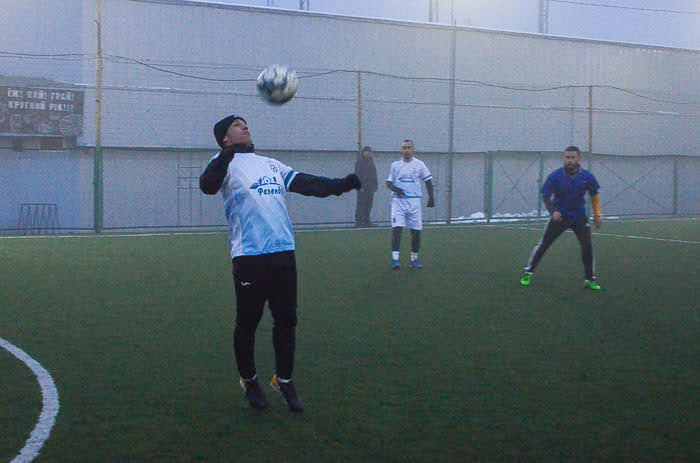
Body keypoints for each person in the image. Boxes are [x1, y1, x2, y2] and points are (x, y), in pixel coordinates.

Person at [199, 114, 361, 412]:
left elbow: (308, 183)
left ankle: (283, 380)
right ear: (224, 138)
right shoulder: (222, 163)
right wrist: (226, 155)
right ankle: (249, 379)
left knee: (287, 321)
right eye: (237, 125)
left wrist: (341, 185)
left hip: (284, 253)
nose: (244, 126)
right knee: (248, 323)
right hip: (249, 257)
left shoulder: (271, 164)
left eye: (245, 123)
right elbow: (207, 186)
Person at [520, 145, 602, 290]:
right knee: (544, 244)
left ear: (579, 159)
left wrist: (597, 215)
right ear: (564, 158)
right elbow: (545, 195)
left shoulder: (587, 177)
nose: (569, 160)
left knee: (587, 246)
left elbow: (594, 195)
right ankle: (528, 272)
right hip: (560, 217)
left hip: (579, 218)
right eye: (567, 157)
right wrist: (553, 212)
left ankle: (589, 279)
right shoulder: (555, 176)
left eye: (572, 157)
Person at [385, 139, 435, 270]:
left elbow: (428, 180)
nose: (406, 150)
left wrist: (431, 197)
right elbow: (388, 183)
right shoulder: (395, 165)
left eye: (408, 147)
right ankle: (395, 260)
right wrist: (396, 189)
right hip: (398, 202)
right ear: (401, 150)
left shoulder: (419, 164)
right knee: (397, 230)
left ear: (413, 150)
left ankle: (414, 260)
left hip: (414, 203)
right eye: (404, 148)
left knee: (416, 232)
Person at [354, 145, 378, 227]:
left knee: (368, 205)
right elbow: (357, 175)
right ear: (363, 153)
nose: (368, 153)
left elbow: (374, 174)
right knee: (361, 205)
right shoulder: (359, 162)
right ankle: (359, 222)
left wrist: (375, 185)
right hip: (362, 187)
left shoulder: (371, 162)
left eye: (369, 152)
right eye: (366, 151)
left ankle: (367, 221)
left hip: (370, 187)